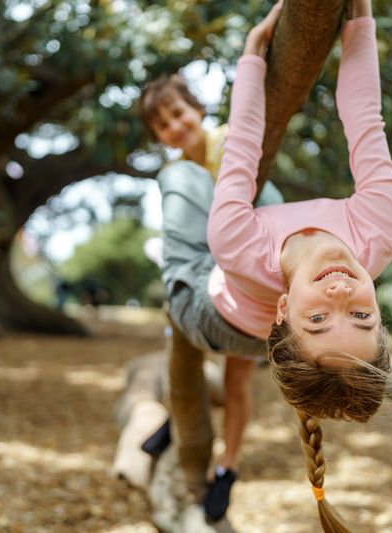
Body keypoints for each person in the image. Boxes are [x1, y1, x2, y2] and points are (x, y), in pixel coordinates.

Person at [151, 0, 392, 527]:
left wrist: (251, 58)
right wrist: (359, 23)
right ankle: (172, 423)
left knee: (184, 180)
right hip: (258, 300)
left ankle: (202, 446)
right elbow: (364, 116)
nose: (342, 299)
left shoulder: (237, 244)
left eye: (320, 320)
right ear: (380, 314)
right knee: (258, 194)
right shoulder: (383, 224)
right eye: (362, 318)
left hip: (213, 313)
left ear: (286, 309)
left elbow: (243, 142)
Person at [139, 59, 285, 522]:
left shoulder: (228, 144)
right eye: (162, 125)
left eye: (178, 114)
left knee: (238, 381)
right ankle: (177, 419)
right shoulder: (179, 171)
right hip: (206, 271)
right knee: (181, 344)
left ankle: (228, 468)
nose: (173, 127)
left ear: (197, 109)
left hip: (246, 272)